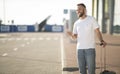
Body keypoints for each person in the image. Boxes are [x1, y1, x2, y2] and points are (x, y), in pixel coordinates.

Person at [66, 3, 107, 74]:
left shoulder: (91, 19)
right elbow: (75, 37)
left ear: (84, 10)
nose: (78, 11)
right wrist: (71, 35)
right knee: (82, 71)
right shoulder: (76, 23)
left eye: (79, 9)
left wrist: (102, 40)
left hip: (90, 49)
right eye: (77, 10)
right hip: (79, 50)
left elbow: (97, 31)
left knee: (91, 71)